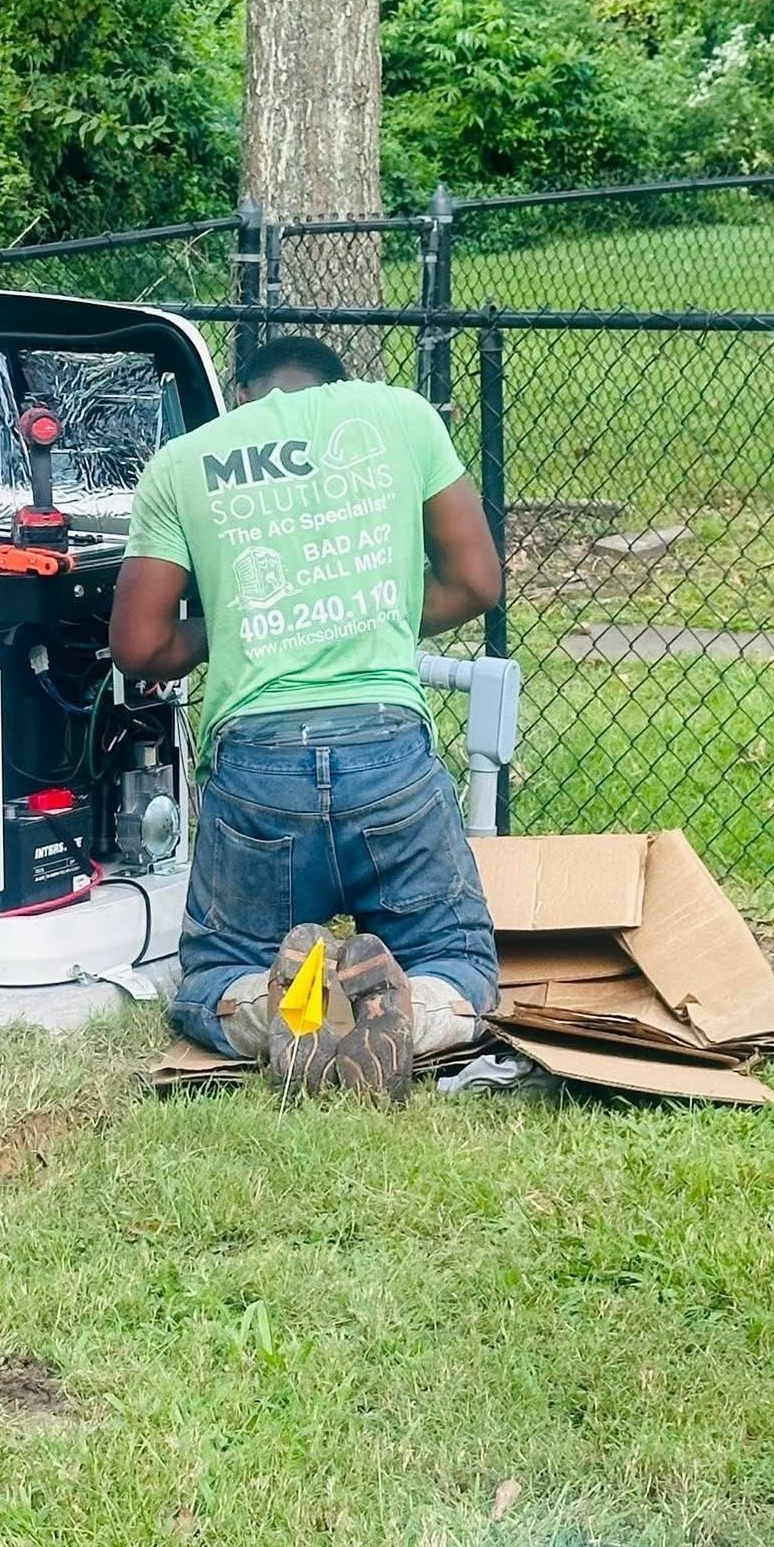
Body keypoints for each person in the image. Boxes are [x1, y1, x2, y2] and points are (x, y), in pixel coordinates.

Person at [109, 334, 502, 1101]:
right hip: (387, 753)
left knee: (215, 975)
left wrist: (238, 625)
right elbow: (476, 582)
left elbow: (140, 645)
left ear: (244, 397)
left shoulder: (188, 458)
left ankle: (282, 1012)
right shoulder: (400, 417)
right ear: (334, 388)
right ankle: (408, 1018)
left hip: (259, 769)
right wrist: (363, 618)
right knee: (457, 960)